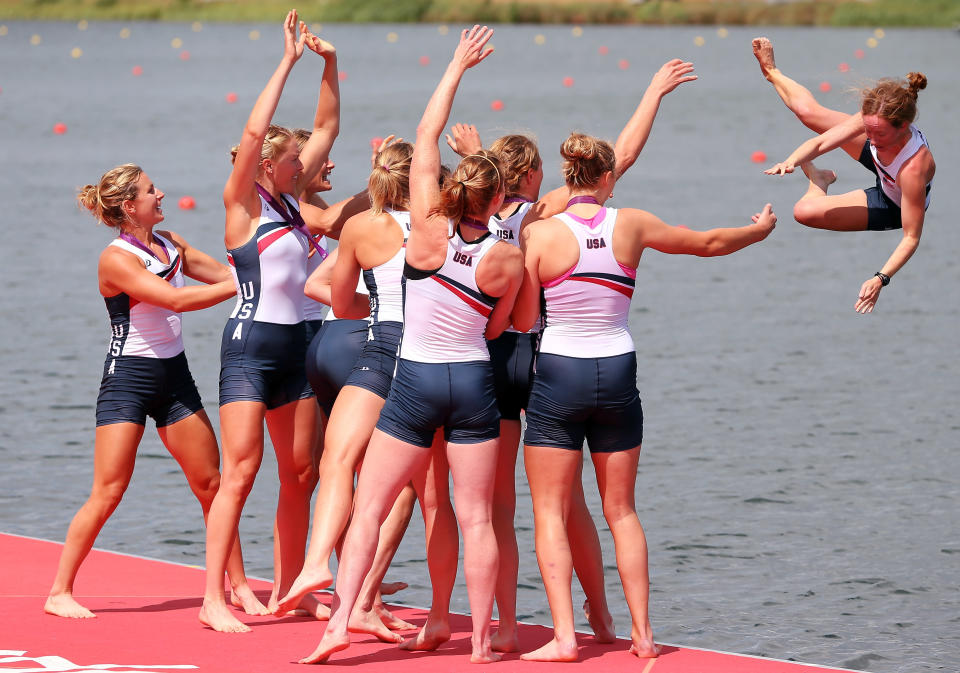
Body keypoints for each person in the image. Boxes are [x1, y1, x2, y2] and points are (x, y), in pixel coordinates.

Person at [444, 57, 697, 651]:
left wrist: (470, 154)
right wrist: (653, 93)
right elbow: (619, 161)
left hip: (484, 358)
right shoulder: (543, 213)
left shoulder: (480, 210)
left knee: (500, 506)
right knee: (575, 503)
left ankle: (506, 627)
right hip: (538, 358)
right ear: (532, 174)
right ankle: (605, 620)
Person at [299, 25, 523, 664]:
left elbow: (425, 140)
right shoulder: (508, 255)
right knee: (475, 518)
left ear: (451, 192)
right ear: (500, 198)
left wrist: (455, 66)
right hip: (473, 384)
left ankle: (339, 625)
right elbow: (499, 327)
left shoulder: (423, 234)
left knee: (368, 509)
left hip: (416, 381)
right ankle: (481, 641)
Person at [513, 132, 776, 661]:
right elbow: (706, 243)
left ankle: (564, 638)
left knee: (549, 509)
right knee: (622, 511)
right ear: (608, 178)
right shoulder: (631, 223)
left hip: (559, 371)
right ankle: (643, 634)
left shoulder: (538, 235)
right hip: (617, 371)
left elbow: (522, 320)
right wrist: (758, 230)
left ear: (569, 178)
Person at [45, 164, 263, 620]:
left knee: (213, 486)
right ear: (130, 207)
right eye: (150, 191)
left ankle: (239, 586)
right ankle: (60, 591)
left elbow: (223, 273)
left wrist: (267, 261)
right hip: (128, 379)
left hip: (175, 378)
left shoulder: (172, 244)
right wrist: (244, 286)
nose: (160, 193)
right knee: (109, 490)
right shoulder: (116, 259)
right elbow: (178, 300)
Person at [199, 11, 343, 632]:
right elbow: (256, 130)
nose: (299, 165)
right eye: (289, 160)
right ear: (265, 165)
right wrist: (286, 62)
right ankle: (213, 598)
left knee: (302, 472)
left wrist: (330, 64)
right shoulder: (242, 207)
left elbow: (328, 126)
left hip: (297, 349)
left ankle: (291, 586)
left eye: (298, 160)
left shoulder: (293, 201)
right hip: (251, 346)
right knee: (243, 470)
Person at [277, 140, 422, 642]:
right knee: (406, 488)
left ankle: (317, 564)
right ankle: (364, 596)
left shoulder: (361, 227)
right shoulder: (441, 227)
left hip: (377, 347)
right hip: (423, 355)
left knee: (335, 462)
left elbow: (338, 301)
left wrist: (380, 307)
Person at [752, 37, 935, 314]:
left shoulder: (913, 169)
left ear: (904, 127)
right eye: (867, 130)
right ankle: (772, 73)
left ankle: (819, 181)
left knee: (803, 212)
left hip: (893, 202)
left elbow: (911, 237)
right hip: (886, 166)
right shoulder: (875, 122)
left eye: (879, 134)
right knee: (808, 113)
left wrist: (881, 278)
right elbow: (821, 143)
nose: (870, 140)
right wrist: (790, 161)